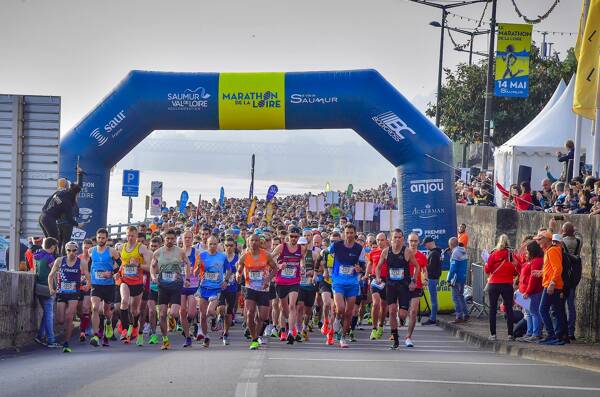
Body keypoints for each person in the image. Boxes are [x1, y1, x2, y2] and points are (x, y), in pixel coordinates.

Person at [150, 228, 191, 350]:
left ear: (175, 239)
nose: (170, 241)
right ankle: (165, 339)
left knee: (173, 312)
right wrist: (153, 276)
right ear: (164, 239)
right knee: (161, 315)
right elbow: (152, 266)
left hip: (176, 285)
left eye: (172, 239)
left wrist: (187, 279)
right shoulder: (157, 252)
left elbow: (187, 263)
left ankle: (171, 317)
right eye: (168, 238)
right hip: (162, 286)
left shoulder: (180, 252)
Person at [376, 228, 418, 349]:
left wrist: (413, 281)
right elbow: (378, 267)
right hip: (391, 286)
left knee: (403, 314)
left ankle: (402, 319)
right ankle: (395, 339)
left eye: (400, 237)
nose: (397, 239)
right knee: (392, 310)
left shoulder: (407, 252)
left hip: (404, 286)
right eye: (395, 237)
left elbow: (417, 267)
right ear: (391, 239)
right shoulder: (385, 252)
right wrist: (378, 277)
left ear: (403, 239)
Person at [236, 233, 278, 350]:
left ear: (260, 242)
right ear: (248, 242)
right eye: (252, 241)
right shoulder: (245, 256)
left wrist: (268, 279)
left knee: (263, 317)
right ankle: (254, 339)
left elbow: (275, 268)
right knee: (249, 313)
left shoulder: (266, 255)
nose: (254, 242)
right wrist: (238, 276)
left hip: (264, 289)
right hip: (250, 288)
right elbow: (239, 270)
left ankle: (258, 334)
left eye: (256, 240)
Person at [47, 241, 91, 353]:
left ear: (77, 251)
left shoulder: (81, 262)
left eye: (74, 250)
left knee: (69, 317)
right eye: (69, 250)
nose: (71, 253)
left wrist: (88, 286)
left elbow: (88, 276)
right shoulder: (59, 261)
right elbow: (51, 275)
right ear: (65, 250)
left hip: (74, 293)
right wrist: (51, 288)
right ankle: (67, 333)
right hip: (61, 293)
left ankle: (66, 343)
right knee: (60, 320)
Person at [329, 223, 366, 348]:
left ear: (355, 234)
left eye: (351, 233)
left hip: (352, 283)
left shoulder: (359, 248)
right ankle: (337, 320)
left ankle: (343, 337)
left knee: (349, 312)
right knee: (340, 308)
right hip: (338, 281)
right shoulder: (336, 245)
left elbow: (363, 267)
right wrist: (326, 270)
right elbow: (326, 254)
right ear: (344, 233)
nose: (349, 235)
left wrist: (359, 268)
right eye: (347, 233)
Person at [117, 225, 152, 344]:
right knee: (124, 301)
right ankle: (124, 330)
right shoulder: (122, 247)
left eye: (132, 236)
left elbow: (149, 267)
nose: (130, 238)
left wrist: (138, 265)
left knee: (135, 310)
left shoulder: (141, 248)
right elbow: (121, 264)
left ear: (137, 236)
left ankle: (135, 326)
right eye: (128, 235)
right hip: (125, 280)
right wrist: (116, 273)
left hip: (137, 282)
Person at [271, 226, 305, 344]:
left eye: (296, 237)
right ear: (288, 237)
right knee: (283, 308)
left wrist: (302, 267)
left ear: (299, 237)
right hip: (281, 281)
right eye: (291, 236)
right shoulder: (282, 247)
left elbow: (302, 260)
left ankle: (291, 331)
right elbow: (271, 258)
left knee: (292, 306)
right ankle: (283, 330)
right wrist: (279, 266)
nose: (293, 239)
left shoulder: (301, 248)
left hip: (294, 281)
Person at [534, 231, 567, 345]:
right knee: (558, 311)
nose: (538, 242)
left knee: (543, 309)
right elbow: (552, 268)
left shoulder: (552, 251)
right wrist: (542, 272)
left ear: (546, 240)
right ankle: (559, 335)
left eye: (539, 240)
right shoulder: (550, 250)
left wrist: (552, 283)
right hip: (552, 284)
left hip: (551, 285)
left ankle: (551, 334)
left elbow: (558, 268)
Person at [89, 228, 120, 347]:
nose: (100, 240)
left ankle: (108, 323)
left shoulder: (112, 251)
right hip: (96, 284)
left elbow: (121, 265)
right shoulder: (91, 251)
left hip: (108, 285)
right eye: (99, 237)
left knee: (107, 311)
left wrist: (111, 273)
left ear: (106, 239)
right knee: (95, 308)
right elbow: (88, 266)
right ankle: (96, 335)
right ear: (96, 238)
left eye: (103, 238)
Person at [196, 236, 229, 348]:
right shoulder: (202, 255)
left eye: (215, 244)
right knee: (202, 315)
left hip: (216, 288)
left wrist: (226, 281)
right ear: (207, 244)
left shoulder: (222, 256)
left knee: (210, 311)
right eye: (210, 244)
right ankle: (206, 337)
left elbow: (229, 270)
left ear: (218, 244)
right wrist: (199, 266)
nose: (212, 246)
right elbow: (195, 273)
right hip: (204, 288)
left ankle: (218, 318)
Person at [484, 234, 519, 341]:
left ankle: (493, 334)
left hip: (494, 284)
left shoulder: (494, 254)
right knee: (509, 309)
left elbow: (487, 269)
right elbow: (515, 270)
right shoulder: (512, 255)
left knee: (493, 309)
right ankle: (510, 334)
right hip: (507, 284)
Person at [33, 237, 60, 348]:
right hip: (48, 288)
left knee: (47, 313)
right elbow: (54, 273)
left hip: (38, 287)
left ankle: (40, 336)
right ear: (53, 247)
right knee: (49, 315)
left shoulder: (36, 255)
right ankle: (51, 340)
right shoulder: (50, 258)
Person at [516, 241, 544, 342]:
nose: (526, 253)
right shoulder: (533, 260)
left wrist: (528, 291)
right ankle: (530, 332)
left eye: (527, 251)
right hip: (527, 291)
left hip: (533, 291)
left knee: (534, 312)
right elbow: (524, 273)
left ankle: (535, 333)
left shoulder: (536, 261)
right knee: (529, 313)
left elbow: (533, 278)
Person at [405, 232, 428, 347]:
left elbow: (424, 270)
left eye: (415, 241)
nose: (413, 243)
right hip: (403, 286)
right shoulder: (403, 254)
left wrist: (425, 279)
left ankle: (408, 337)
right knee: (402, 314)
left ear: (418, 242)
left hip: (416, 286)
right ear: (408, 241)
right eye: (411, 241)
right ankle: (399, 323)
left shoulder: (422, 256)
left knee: (413, 311)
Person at [561, 222, 581, 340]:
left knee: (560, 305)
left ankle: (563, 330)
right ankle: (571, 331)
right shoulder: (578, 241)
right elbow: (579, 235)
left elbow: (557, 239)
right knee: (571, 305)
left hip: (565, 276)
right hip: (574, 276)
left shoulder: (563, 243)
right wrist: (574, 230)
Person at [366, 232, 387, 340]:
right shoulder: (373, 251)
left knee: (384, 306)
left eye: (382, 240)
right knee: (376, 303)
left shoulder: (390, 252)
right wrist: (366, 275)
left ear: (386, 241)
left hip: (387, 280)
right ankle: (374, 329)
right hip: (374, 279)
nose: (380, 242)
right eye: (378, 240)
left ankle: (381, 325)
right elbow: (369, 263)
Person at [219, 237, 239, 345]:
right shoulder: (220, 257)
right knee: (221, 308)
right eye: (227, 245)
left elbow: (241, 272)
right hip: (220, 287)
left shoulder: (238, 258)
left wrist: (239, 275)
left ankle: (225, 333)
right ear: (223, 246)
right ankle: (219, 317)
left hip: (232, 288)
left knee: (229, 312)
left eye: (231, 245)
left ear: (235, 246)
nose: (229, 247)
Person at [447, 237, 469, 324]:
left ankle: (459, 316)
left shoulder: (455, 253)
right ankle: (466, 314)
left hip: (456, 278)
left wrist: (449, 279)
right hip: (462, 276)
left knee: (455, 297)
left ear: (451, 245)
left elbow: (453, 268)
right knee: (460, 296)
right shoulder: (462, 250)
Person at [422, 237, 441, 325]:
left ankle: (432, 318)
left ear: (429, 243)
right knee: (433, 298)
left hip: (432, 278)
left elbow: (431, 267)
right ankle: (433, 317)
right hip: (434, 277)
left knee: (433, 299)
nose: (425, 247)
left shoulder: (433, 254)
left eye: (425, 245)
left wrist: (424, 267)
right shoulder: (436, 252)